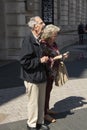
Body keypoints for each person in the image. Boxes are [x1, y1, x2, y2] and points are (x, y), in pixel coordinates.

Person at [19, 16, 50, 130]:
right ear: (35, 26)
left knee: (41, 102)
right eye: (41, 23)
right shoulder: (28, 39)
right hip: (32, 77)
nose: (44, 24)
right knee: (33, 103)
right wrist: (40, 60)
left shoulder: (39, 39)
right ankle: (31, 125)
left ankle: (39, 122)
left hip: (41, 76)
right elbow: (24, 61)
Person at [40, 24, 69, 123]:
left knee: (48, 91)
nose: (56, 36)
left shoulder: (54, 43)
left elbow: (56, 53)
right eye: (55, 35)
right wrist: (57, 58)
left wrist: (62, 56)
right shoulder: (43, 44)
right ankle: (44, 114)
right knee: (43, 93)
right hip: (45, 72)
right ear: (49, 34)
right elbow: (44, 59)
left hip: (52, 72)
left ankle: (47, 109)